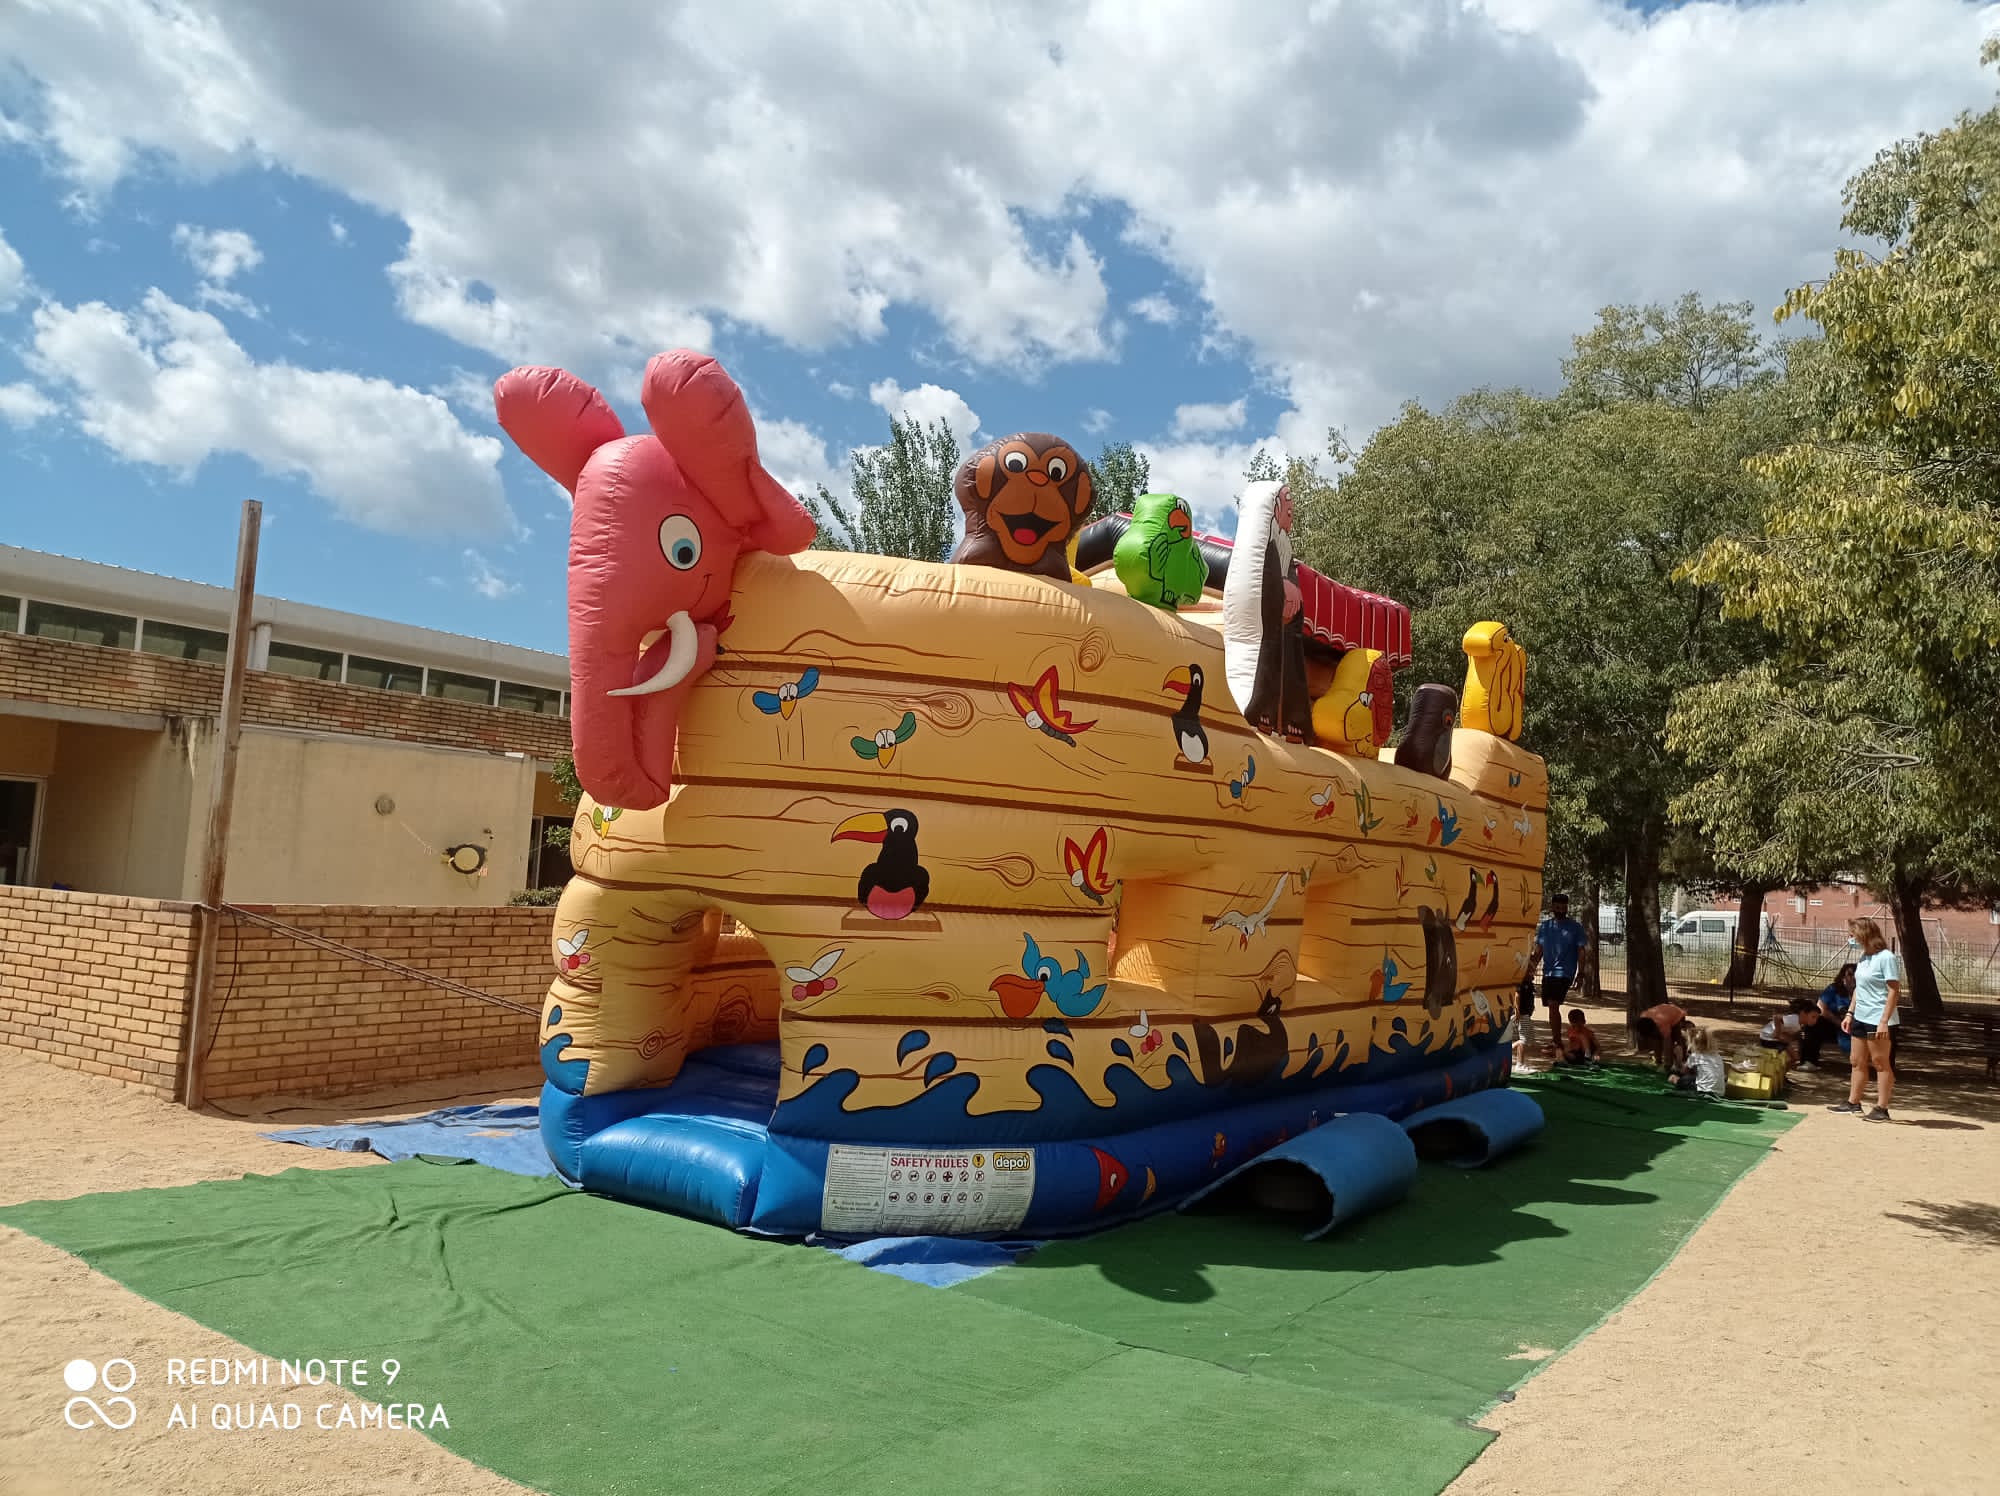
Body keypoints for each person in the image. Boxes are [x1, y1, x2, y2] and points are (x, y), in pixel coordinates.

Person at [1829, 919, 1901, 1122]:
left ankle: (1882, 1108)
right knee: (1856, 1061)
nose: (1850, 938)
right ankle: (1853, 1103)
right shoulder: (1863, 957)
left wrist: (1884, 1021)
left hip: (1878, 1019)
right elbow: (1859, 989)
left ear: (1864, 934)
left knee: (1880, 1062)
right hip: (1860, 1017)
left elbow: (1894, 990)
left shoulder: (1886, 957)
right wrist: (1850, 1013)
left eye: (1852, 935)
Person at [1527, 893, 1593, 1050]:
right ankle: (1556, 1040)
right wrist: (1531, 966)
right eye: (1557, 907)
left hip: (1565, 972)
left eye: (1563, 907)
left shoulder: (1575, 927)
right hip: (1548, 973)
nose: (1560, 910)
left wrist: (1580, 973)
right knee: (1551, 1006)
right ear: (1552, 907)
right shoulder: (1545, 927)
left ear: (1567, 908)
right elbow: (1539, 950)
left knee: (1553, 1003)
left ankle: (1557, 1042)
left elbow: (1581, 951)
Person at [1804, 964, 1857, 1067]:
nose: (1853, 978)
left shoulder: (1864, 991)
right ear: (1842, 977)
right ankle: (1809, 1061)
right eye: (1850, 974)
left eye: (1856, 974)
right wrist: (1838, 1022)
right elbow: (1820, 1007)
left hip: (1854, 1028)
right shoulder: (1833, 989)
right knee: (1814, 1024)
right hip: (1834, 1025)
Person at [1671, 1026, 1727, 1098]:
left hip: (1703, 1091)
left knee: (1680, 1079)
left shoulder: (1695, 1056)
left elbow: (1683, 1071)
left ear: (1693, 1043)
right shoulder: (1717, 1056)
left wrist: (1678, 1060)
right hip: (1720, 1093)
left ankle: (1675, 1081)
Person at [1633, 1000, 1690, 1071]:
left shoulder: (1662, 1024)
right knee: (1656, 1039)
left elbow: (1667, 1044)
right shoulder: (1643, 1018)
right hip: (1664, 1012)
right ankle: (1658, 1061)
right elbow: (1653, 1038)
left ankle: (1681, 1061)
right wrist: (1658, 1061)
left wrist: (1667, 1064)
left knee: (1677, 1038)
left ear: (1655, 1028)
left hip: (1676, 1013)